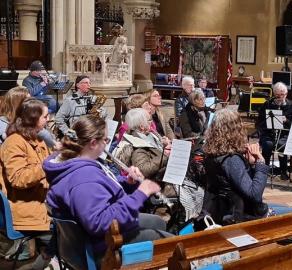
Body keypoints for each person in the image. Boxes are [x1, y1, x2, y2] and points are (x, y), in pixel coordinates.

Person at [43, 115, 172, 262]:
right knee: (169, 243)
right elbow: (100, 223)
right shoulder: (83, 179)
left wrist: (127, 183)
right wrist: (140, 195)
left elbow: (100, 188)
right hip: (100, 248)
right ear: (92, 143)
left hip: (96, 236)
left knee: (157, 222)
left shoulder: (79, 161)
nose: (107, 143)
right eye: (105, 140)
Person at [202, 109, 291, 225]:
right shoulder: (231, 160)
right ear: (235, 130)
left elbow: (235, 184)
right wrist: (260, 162)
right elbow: (255, 194)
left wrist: (250, 164)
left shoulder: (211, 155)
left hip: (222, 210)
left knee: (282, 208)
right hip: (243, 216)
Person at [0, 98, 54, 269]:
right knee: (72, 233)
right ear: (33, 119)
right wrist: (49, 164)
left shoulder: (38, 139)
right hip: (26, 209)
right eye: (45, 116)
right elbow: (18, 178)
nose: (49, 119)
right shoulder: (14, 142)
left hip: (41, 201)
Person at [257, 82, 292, 181]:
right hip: (269, 133)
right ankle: (264, 170)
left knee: (281, 145)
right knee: (267, 144)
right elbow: (259, 121)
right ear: (274, 94)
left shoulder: (291, 106)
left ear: (286, 94)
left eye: (282, 95)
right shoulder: (267, 104)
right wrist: (268, 123)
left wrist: (286, 121)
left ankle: (283, 171)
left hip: (284, 134)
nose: (279, 98)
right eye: (277, 95)